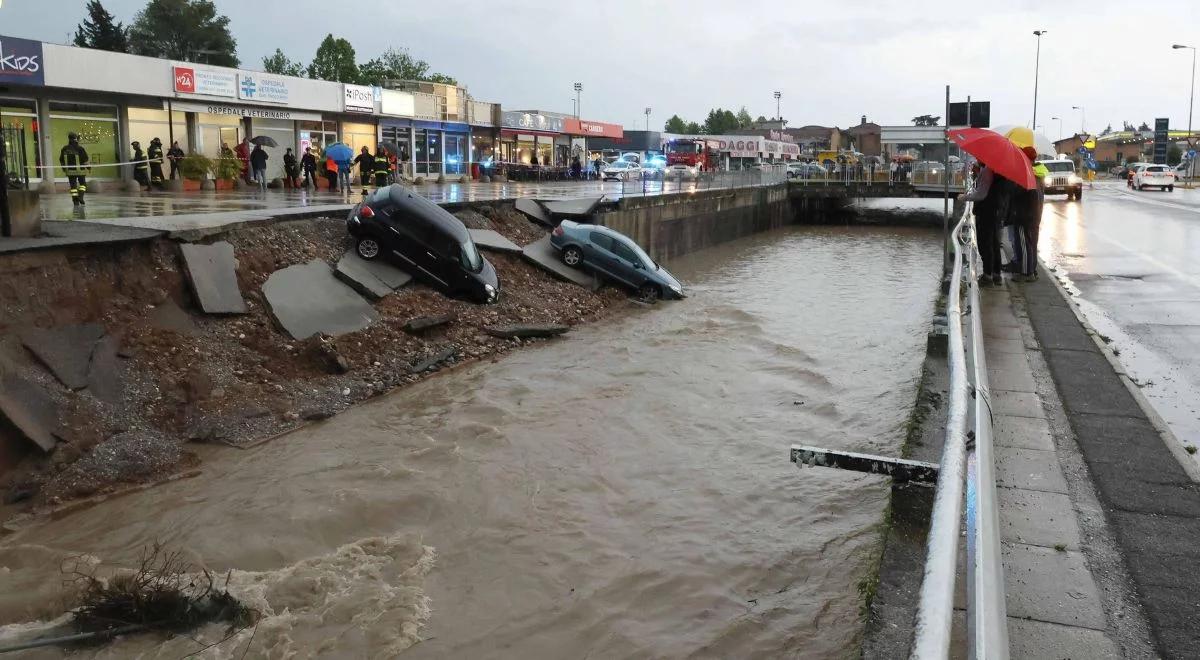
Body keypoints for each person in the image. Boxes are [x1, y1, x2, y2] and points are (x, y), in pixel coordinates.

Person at [959, 163, 1007, 286]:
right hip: (998, 209)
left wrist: (964, 197)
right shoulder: (999, 170)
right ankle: (996, 274)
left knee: (986, 243)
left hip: (987, 211)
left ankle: (987, 276)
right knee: (995, 243)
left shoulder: (988, 171)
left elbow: (981, 194)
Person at [1010, 149, 1047, 282]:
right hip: (1033, 215)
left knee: (1024, 244)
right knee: (1030, 243)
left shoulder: (1028, 174)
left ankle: (1026, 273)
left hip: (1024, 215)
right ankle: (1031, 270)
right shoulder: (1038, 173)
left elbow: (1021, 194)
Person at [59, 132, 90, 207]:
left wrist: (64, 169)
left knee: (73, 187)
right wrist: (89, 167)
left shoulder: (64, 148)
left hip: (70, 171)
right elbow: (85, 159)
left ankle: (75, 202)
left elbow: (61, 159)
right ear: (76, 138)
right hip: (80, 171)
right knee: (83, 184)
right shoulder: (80, 148)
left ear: (69, 139)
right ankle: (80, 197)